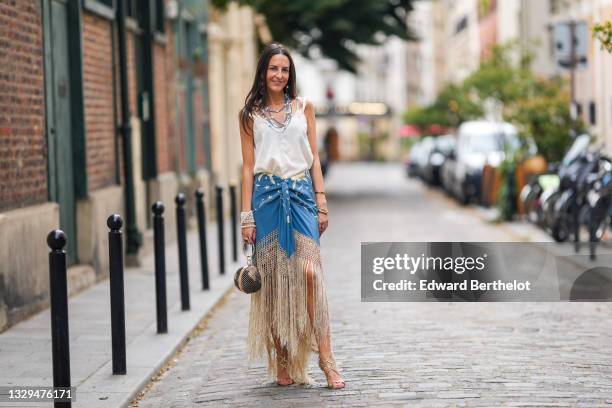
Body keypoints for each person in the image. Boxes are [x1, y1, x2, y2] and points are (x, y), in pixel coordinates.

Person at [238, 42, 345, 389]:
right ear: (263, 72)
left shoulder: (304, 108)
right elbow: (247, 169)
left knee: (310, 274)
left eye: (284, 70)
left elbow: (314, 158)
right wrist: (246, 217)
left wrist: (322, 200)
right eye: (273, 69)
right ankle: (282, 360)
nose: (279, 75)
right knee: (274, 284)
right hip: (266, 202)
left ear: (290, 75)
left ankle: (326, 360)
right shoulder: (249, 115)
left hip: (301, 198)